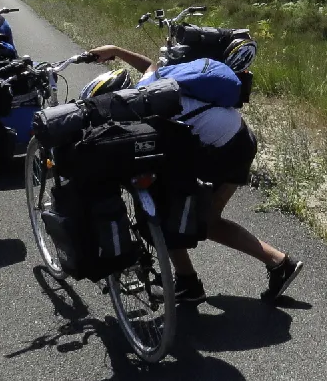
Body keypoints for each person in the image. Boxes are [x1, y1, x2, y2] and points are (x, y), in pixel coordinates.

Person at [85, 44, 303, 305]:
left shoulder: (142, 116)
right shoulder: (149, 86)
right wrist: (117, 50)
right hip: (238, 137)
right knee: (206, 219)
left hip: (227, 150)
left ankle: (190, 283)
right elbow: (150, 65)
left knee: (165, 211)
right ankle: (277, 264)